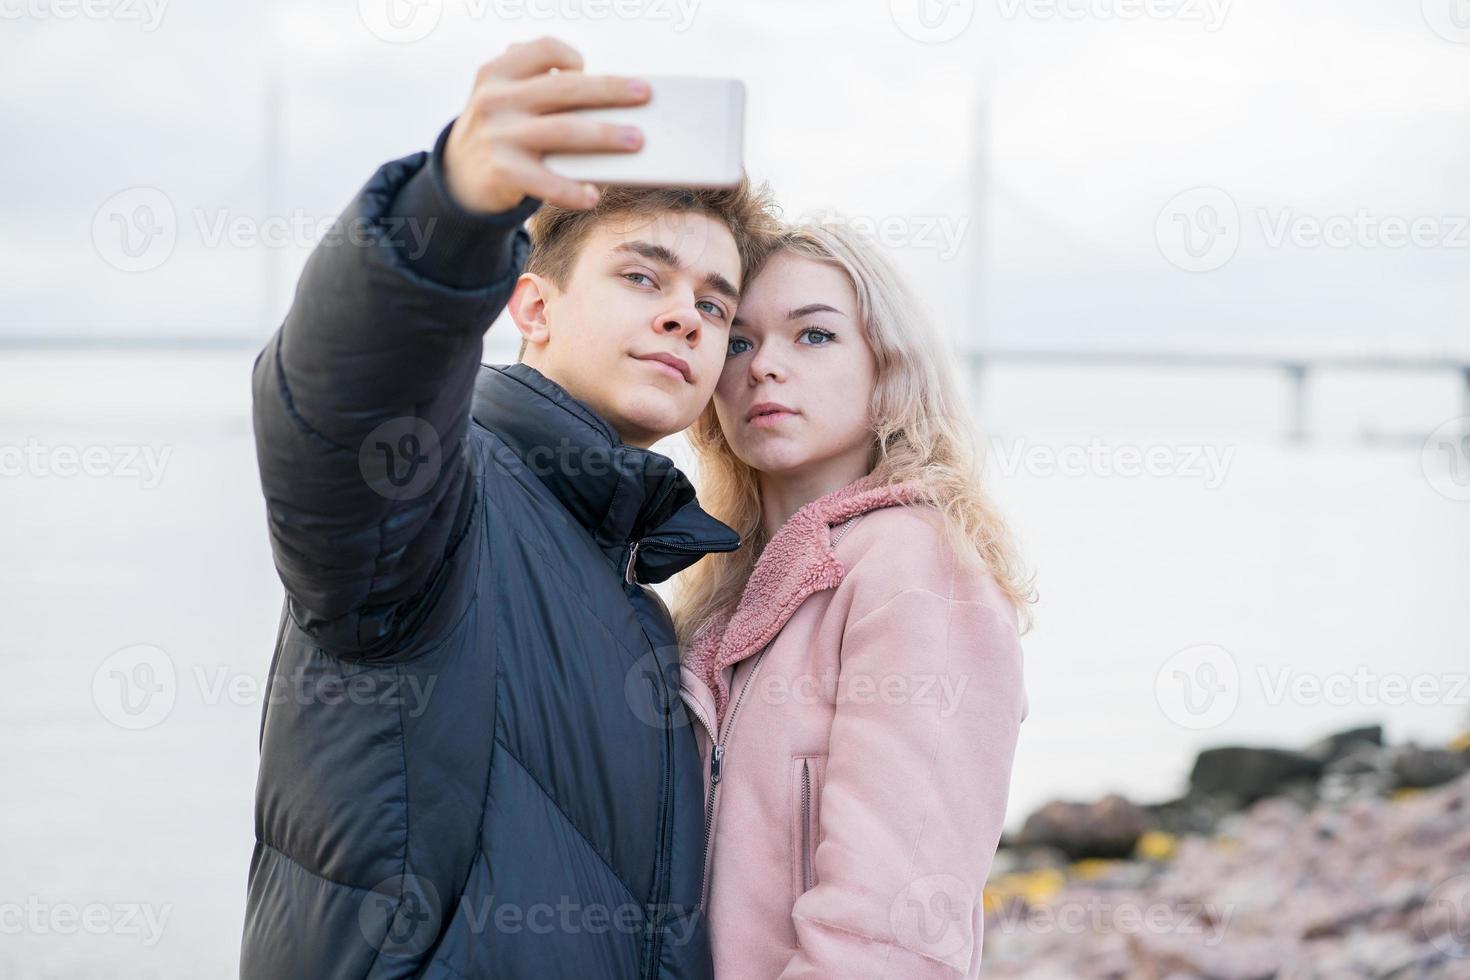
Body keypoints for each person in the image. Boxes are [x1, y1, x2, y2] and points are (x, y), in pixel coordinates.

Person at [241, 37, 778, 978]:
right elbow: (341, 410)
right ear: (531, 306)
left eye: (715, 305)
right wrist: (449, 211)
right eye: (642, 277)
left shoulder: (635, 591)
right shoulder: (446, 504)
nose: (687, 317)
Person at [674, 221, 1033, 978]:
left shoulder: (919, 569)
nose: (765, 367)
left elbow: (891, 934)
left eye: (813, 336)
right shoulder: (722, 595)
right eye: (737, 342)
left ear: (889, 367)